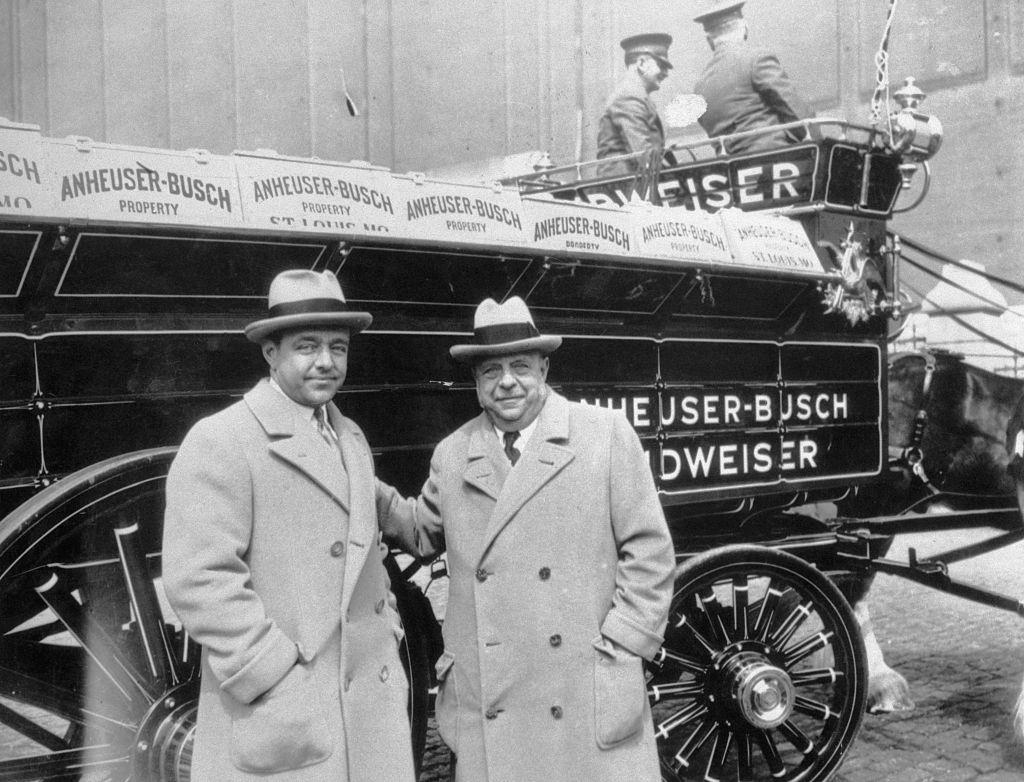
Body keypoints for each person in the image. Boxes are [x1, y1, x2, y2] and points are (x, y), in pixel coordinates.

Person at [378, 296, 676, 782]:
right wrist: (357, 483)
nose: (507, 381)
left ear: (544, 367)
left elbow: (651, 553)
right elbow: (421, 530)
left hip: (583, 680)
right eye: (491, 371)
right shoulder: (454, 454)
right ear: (476, 382)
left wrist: (624, 645)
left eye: (520, 365)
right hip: (494, 692)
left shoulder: (603, 435)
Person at [162, 269, 415, 782]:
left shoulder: (348, 436)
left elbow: (376, 530)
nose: (326, 362)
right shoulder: (223, 439)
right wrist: (272, 672)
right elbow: (198, 578)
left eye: (338, 348)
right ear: (270, 354)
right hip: (287, 709)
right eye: (306, 346)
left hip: (367, 708)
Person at [693, 1, 810, 153]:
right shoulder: (757, 60)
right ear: (745, 28)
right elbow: (798, 114)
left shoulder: (700, 88)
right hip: (777, 159)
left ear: (709, 40)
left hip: (732, 168)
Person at [596, 32, 674, 178]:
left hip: (632, 184)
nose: (666, 73)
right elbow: (644, 156)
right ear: (641, 63)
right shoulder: (629, 97)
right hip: (625, 186)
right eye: (662, 66)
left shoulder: (636, 96)